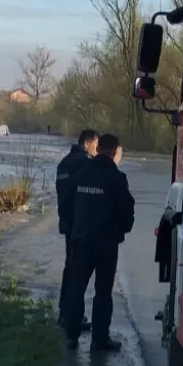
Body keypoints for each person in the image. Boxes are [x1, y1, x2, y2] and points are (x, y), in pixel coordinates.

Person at [62, 133, 135, 352]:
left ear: (99, 148)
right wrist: (120, 230)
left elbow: (65, 207)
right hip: (106, 244)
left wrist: (75, 229)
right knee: (103, 292)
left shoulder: (80, 174)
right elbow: (126, 214)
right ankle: (99, 340)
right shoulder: (117, 179)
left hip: (80, 241)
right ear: (116, 151)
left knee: (76, 289)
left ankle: (71, 336)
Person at [55, 129, 98, 329]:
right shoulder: (85, 164)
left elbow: (63, 198)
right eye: (96, 146)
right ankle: (72, 318)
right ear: (87, 144)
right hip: (80, 226)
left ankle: (64, 313)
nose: (97, 151)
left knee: (69, 268)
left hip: (67, 224)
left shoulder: (63, 163)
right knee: (77, 272)